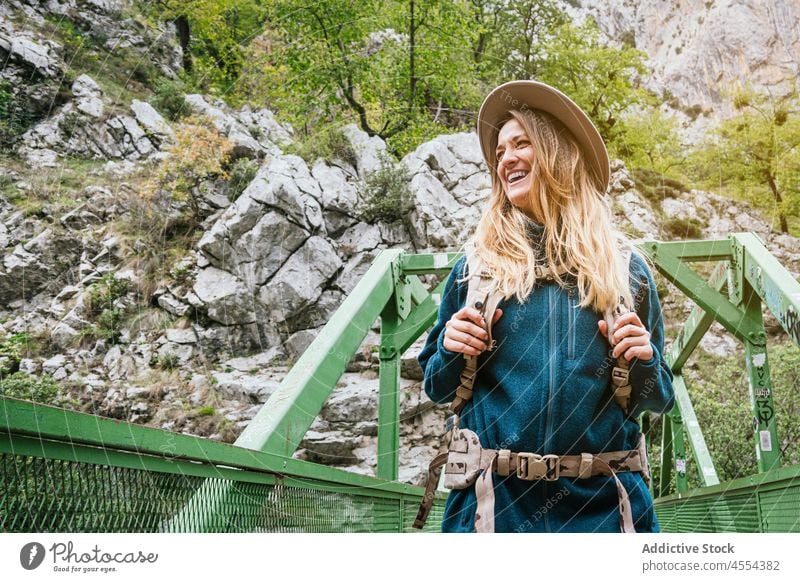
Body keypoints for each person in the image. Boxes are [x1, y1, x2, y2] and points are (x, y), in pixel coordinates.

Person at [417, 80, 675, 533]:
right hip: (491, 512)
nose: (505, 160)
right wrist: (451, 351)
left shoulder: (627, 272)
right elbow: (438, 387)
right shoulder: (474, 270)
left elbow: (659, 397)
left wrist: (644, 361)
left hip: (603, 515)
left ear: (559, 155)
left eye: (521, 144)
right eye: (499, 153)